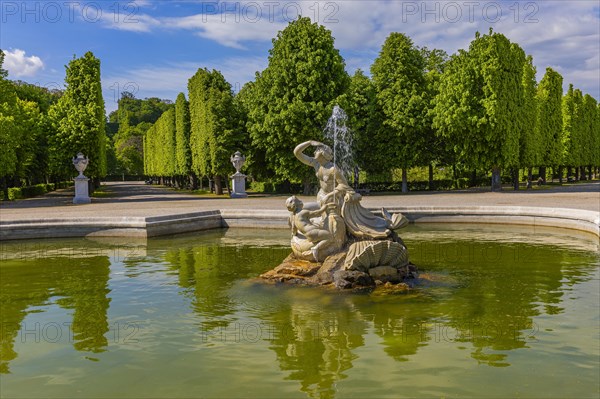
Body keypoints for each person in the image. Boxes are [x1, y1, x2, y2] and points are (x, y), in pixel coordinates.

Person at [285, 196, 343, 261]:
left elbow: (294, 229)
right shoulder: (303, 212)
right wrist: (324, 207)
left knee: (322, 234)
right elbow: (317, 213)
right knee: (330, 237)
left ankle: (316, 246)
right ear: (298, 204)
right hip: (313, 232)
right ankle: (316, 248)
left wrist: (294, 234)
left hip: (308, 235)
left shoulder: (293, 217)